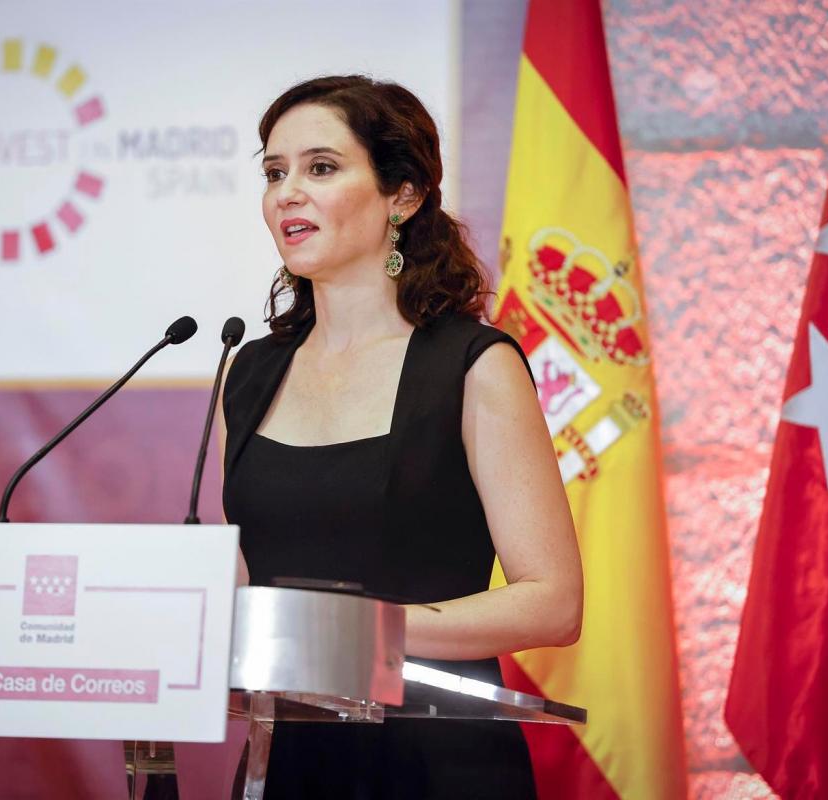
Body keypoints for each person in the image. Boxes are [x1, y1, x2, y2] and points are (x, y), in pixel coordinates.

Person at [221, 75, 582, 799]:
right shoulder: (249, 369)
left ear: (404, 195)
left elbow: (553, 602)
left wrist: (355, 631)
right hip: (288, 759)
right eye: (274, 172)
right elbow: (247, 591)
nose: (288, 193)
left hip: (436, 760)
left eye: (321, 167)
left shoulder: (472, 365)